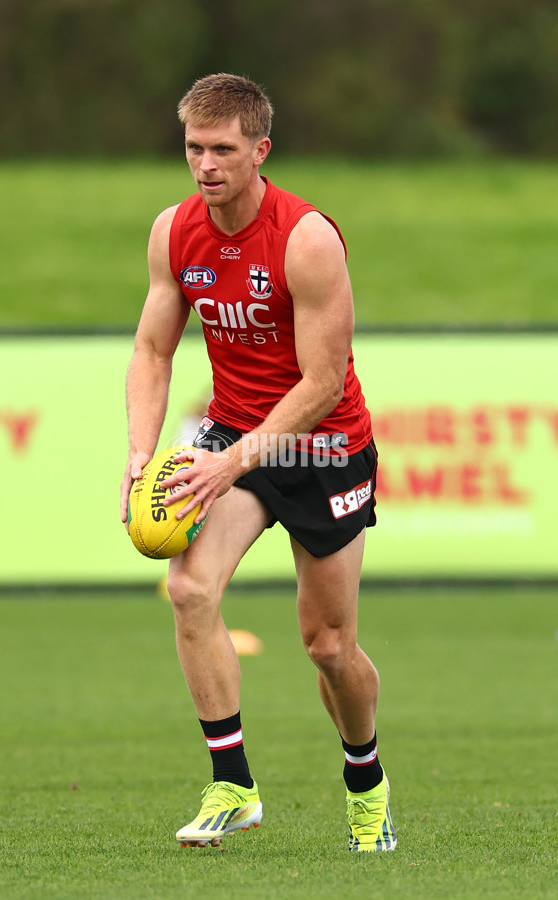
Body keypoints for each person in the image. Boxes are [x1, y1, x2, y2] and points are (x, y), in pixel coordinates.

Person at [120, 73, 396, 853]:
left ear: (260, 150)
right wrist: (143, 454)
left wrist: (229, 461)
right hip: (236, 432)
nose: (205, 165)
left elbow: (323, 383)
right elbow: (150, 349)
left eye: (223, 149)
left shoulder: (307, 238)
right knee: (187, 586)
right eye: (193, 148)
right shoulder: (175, 232)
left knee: (328, 646)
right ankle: (233, 785)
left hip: (321, 445)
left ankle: (366, 782)